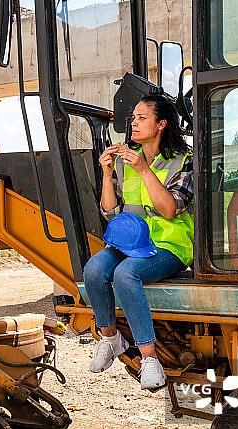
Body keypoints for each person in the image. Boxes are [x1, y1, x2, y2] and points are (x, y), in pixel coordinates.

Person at [83, 94, 193, 389]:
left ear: (161, 125)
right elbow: (110, 212)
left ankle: (149, 359)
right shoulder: (123, 161)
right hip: (129, 243)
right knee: (93, 269)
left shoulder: (182, 162)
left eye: (142, 117)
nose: (133, 122)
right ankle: (110, 339)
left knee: (125, 273)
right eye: (133, 117)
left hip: (169, 245)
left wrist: (144, 170)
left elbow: (170, 210)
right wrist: (107, 175)